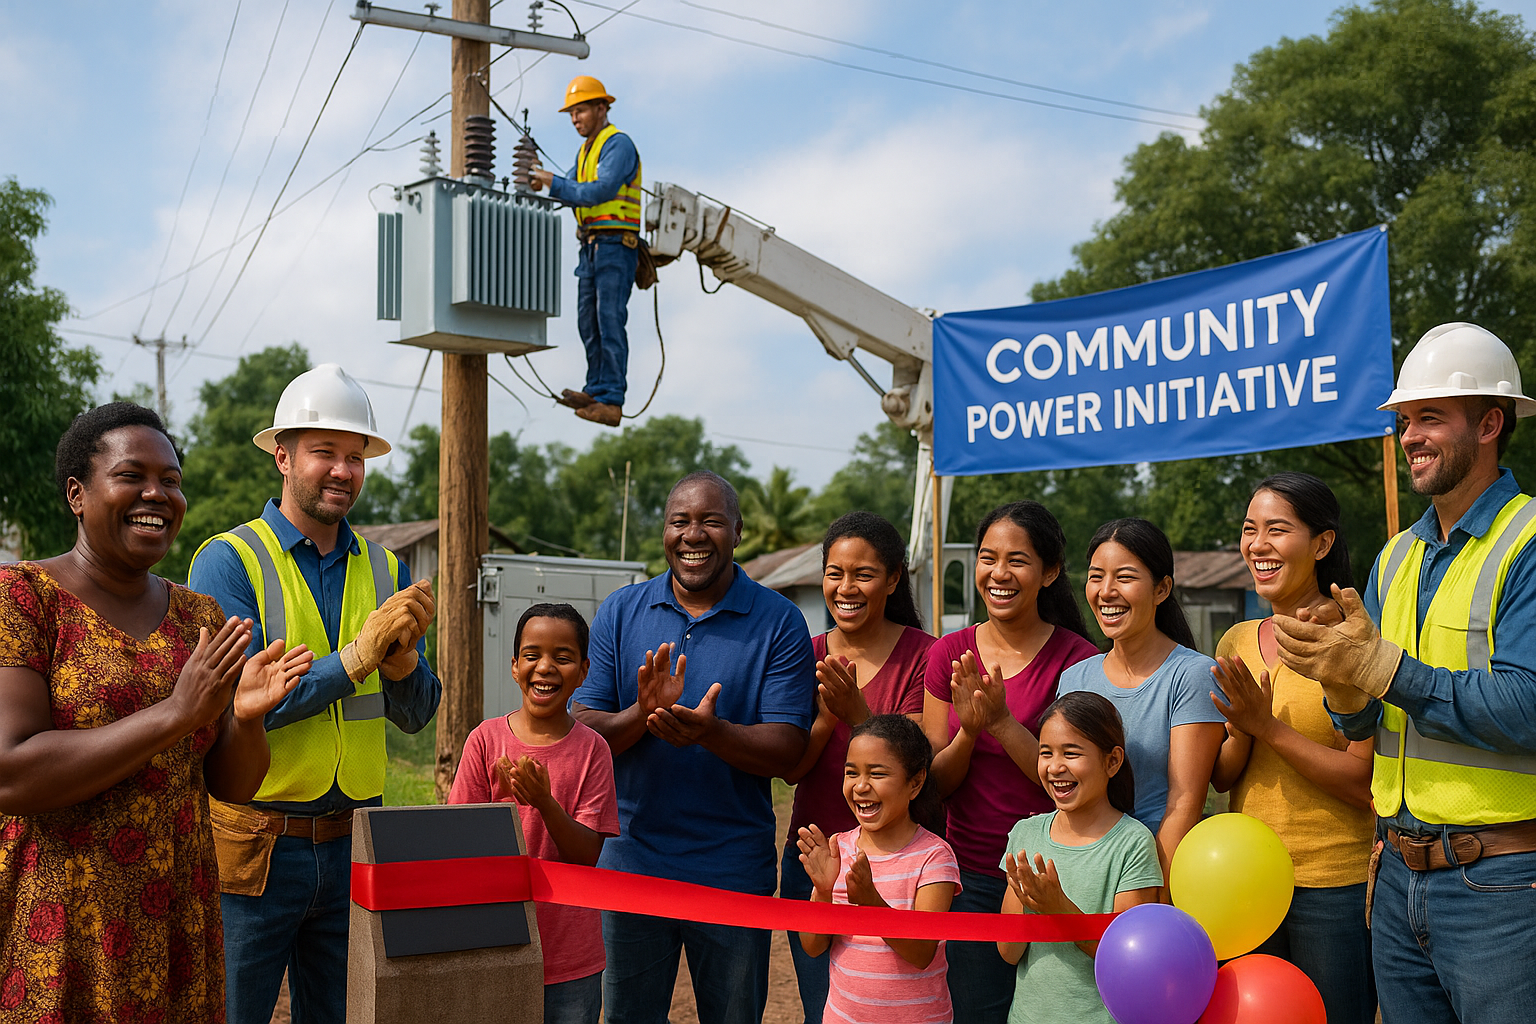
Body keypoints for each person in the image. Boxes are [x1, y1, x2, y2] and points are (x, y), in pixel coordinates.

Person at [0, 403, 312, 1022]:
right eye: (131, 475)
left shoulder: (200, 617)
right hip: (60, 921)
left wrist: (245, 720)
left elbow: (229, 784)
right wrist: (175, 713)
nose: (157, 493)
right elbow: (12, 773)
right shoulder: (24, 597)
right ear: (77, 494)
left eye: (171, 480)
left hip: (177, 917)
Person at [1273, 323, 1536, 1024]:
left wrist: (1384, 669)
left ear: (1490, 422)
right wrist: (1344, 685)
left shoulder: (1530, 542)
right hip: (1394, 875)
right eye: (1405, 421)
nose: (1410, 436)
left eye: (1430, 418)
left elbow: (1528, 708)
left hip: (1505, 884)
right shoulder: (1393, 560)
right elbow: (1366, 724)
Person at [186, 364, 442, 1024]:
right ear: (283, 456)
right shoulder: (227, 561)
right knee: (232, 1013)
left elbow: (416, 718)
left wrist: (402, 668)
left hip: (355, 839)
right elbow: (243, 706)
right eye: (324, 452)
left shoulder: (388, 568)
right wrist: (358, 657)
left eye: (355, 457)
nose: (342, 470)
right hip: (258, 847)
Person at [572, 470, 816, 1024]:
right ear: (663, 531)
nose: (693, 534)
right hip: (631, 863)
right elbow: (584, 732)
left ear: (737, 531)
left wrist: (711, 731)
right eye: (680, 521)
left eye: (710, 521)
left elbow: (786, 749)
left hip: (731, 869)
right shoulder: (620, 610)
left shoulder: (779, 621)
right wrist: (643, 713)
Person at [920, 500, 1099, 1024]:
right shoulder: (948, 654)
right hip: (971, 878)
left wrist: (1001, 723)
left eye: (1017, 560)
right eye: (987, 557)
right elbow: (936, 787)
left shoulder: (1078, 661)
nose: (999, 574)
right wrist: (970, 734)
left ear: (1050, 572)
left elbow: (1068, 783)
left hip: (1057, 878)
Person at [1208, 473, 1376, 1023]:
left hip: (1331, 887)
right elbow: (1226, 778)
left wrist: (1266, 725)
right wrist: (1239, 731)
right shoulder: (1235, 640)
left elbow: (1364, 782)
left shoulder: (1354, 637)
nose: (1258, 544)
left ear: (1321, 544)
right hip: (1244, 886)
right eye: (1249, 529)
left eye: (1277, 530)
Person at [781, 511, 936, 1024]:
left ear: (893, 579)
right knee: (823, 1006)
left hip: (898, 862)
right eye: (835, 572)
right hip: (816, 857)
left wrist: (858, 715)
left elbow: (918, 760)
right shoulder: (804, 655)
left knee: (897, 1001)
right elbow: (792, 769)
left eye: (864, 574)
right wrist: (827, 721)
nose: (846, 587)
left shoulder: (925, 655)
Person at [449, 603, 619, 1024]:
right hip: (495, 945)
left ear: (583, 671)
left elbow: (586, 857)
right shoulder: (484, 741)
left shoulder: (593, 750)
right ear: (514, 666)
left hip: (571, 957)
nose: (545, 668)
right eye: (532, 655)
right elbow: (457, 843)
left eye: (562, 657)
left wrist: (544, 803)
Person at [1058, 518, 1225, 888]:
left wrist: (1151, 895)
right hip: (1084, 873)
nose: (1106, 592)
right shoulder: (1074, 679)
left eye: (1125, 577)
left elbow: (1183, 804)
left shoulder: (1192, 675)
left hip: (1157, 872)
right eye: (1096, 576)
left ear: (1162, 588)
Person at [998, 691, 1163, 1024]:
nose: (1056, 767)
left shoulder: (1132, 843)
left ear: (1112, 761)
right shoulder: (1025, 834)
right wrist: (1026, 896)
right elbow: (1008, 952)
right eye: (1046, 753)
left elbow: (1126, 960)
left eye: (1071, 753)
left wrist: (1057, 908)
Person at [796, 714, 961, 1024]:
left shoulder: (934, 856)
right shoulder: (838, 849)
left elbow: (922, 953)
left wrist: (872, 903)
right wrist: (824, 890)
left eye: (877, 773)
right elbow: (813, 946)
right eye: (851, 772)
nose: (861, 786)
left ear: (915, 782)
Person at [529, 75, 642, 428]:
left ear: (601, 107)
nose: (575, 118)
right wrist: (544, 183)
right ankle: (596, 389)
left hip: (615, 246)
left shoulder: (617, 145)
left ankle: (611, 398)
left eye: (580, 110)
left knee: (609, 318)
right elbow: (570, 188)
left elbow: (599, 190)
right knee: (588, 321)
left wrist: (552, 182)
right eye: (571, 113)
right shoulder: (587, 151)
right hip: (592, 247)